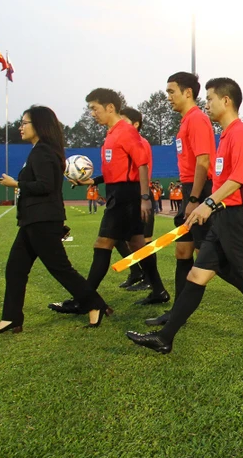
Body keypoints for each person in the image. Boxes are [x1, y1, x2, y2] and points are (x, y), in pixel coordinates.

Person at [127, 77, 243, 354]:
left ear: (226, 101)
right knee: (196, 275)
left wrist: (208, 203)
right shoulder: (225, 135)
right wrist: (208, 208)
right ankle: (165, 338)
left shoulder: (240, 133)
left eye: (210, 99)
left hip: (242, 219)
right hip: (225, 219)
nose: (207, 104)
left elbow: (239, 178)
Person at [146, 72, 243, 327]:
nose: (168, 97)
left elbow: (204, 161)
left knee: (208, 253)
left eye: (171, 91)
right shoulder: (187, 121)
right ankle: (176, 312)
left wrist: (195, 198)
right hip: (192, 189)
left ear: (187, 93)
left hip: (201, 191)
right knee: (184, 250)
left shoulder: (197, 119)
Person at [0, 106, 109, 335]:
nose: (20, 127)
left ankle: (96, 304)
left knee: (60, 269)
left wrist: (17, 184)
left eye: (24, 123)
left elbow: (46, 186)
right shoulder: (41, 151)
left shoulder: (42, 152)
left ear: (39, 125)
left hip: (41, 221)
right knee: (15, 269)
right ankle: (11, 318)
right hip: (33, 220)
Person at [49, 88, 167, 316]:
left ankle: (84, 299)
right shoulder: (112, 133)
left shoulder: (126, 131)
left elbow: (141, 164)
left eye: (95, 108)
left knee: (102, 244)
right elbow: (116, 171)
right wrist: (91, 181)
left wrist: (144, 198)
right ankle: (159, 291)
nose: (92, 113)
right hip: (119, 193)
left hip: (128, 197)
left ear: (110, 107)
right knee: (138, 246)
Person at [118, 107, 168, 306]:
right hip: (129, 197)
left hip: (140, 197)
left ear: (136, 124)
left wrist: (144, 197)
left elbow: (142, 168)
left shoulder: (140, 142)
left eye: (124, 121)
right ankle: (137, 273)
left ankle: (150, 282)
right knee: (122, 240)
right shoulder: (126, 142)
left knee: (143, 242)